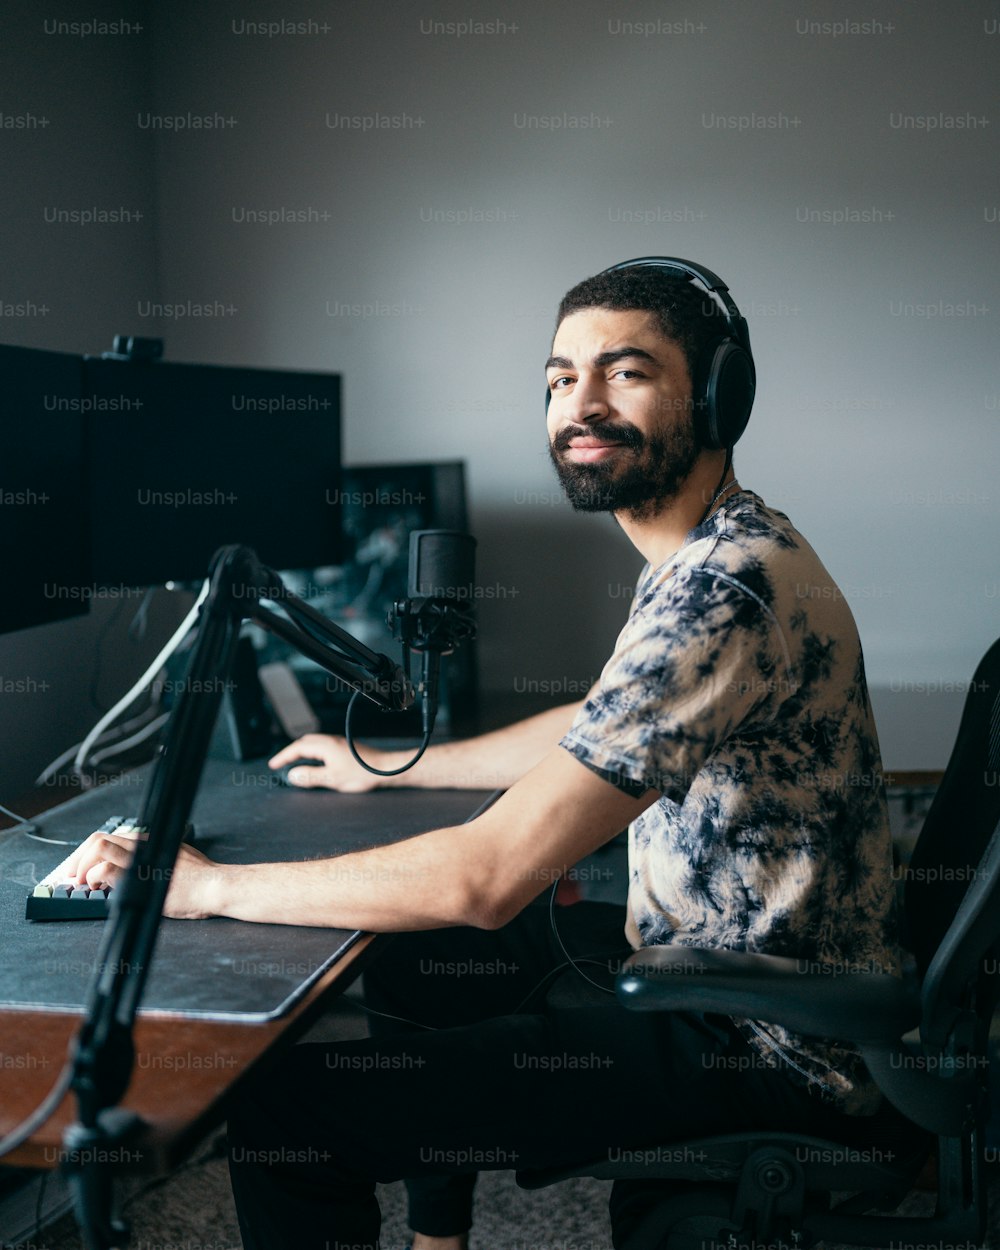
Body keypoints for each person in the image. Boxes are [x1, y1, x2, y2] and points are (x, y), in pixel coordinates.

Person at [65, 259, 900, 1250]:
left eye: (623, 372)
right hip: (712, 974)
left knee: (289, 1107)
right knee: (427, 960)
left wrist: (201, 888)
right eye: (558, 379)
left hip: (759, 1037)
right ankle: (439, 1241)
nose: (578, 404)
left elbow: (486, 878)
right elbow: (598, 720)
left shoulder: (724, 591)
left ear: (720, 394)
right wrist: (403, 763)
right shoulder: (720, 549)